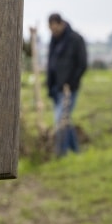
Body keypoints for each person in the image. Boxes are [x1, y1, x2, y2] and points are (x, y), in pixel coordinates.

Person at [46, 13, 88, 156]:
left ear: (61, 24)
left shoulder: (76, 39)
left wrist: (71, 83)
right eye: (51, 29)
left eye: (55, 28)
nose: (53, 32)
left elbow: (82, 64)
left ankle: (60, 153)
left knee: (60, 120)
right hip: (55, 88)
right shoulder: (54, 40)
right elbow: (51, 64)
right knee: (65, 119)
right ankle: (75, 151)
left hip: (68, 88)